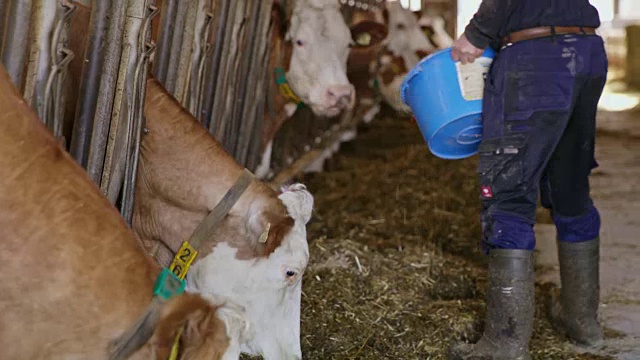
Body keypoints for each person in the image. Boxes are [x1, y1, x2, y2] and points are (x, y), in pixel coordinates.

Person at [448, 1, 608, 359]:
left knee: (507, 194)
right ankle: (584, 326)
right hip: (586, 52)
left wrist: (476, 34)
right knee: (571, 187)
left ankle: (504, 344)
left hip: (538, 58)